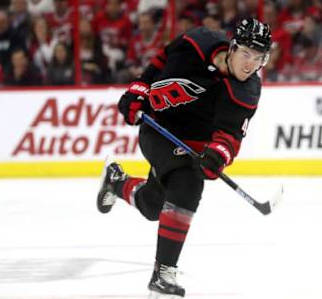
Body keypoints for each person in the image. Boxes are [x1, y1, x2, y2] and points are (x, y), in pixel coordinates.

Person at [96, 17, 271, 297]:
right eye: (246, 54)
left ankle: (117, 182)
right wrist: (138, 90)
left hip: (196, 146)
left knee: (154, 206)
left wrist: (218, 156)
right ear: (233, 47)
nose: (250, 64)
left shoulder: (246, 89)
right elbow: (162, 59)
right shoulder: (198, 43)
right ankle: (163, 272)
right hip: (159, 128)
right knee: (188, 184)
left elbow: (230, 136)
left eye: (259, 58)